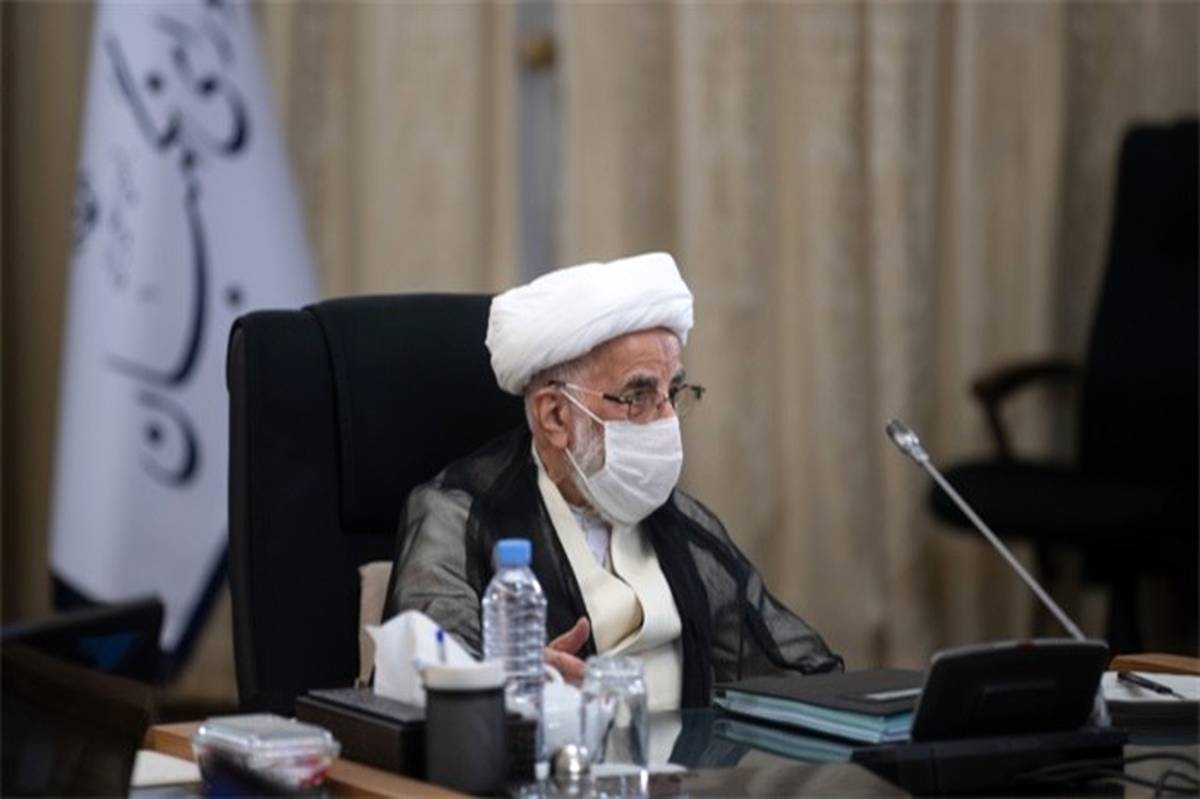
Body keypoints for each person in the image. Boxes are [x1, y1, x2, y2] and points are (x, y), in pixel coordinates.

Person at [382, 252, 841, 710]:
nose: (666, 419)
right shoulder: (457, 515)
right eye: (638, 395)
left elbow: (795, 668)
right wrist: (515, 684)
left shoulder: (680, 522)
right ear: (555, 416)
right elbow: (432, 681)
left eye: (673, 393)